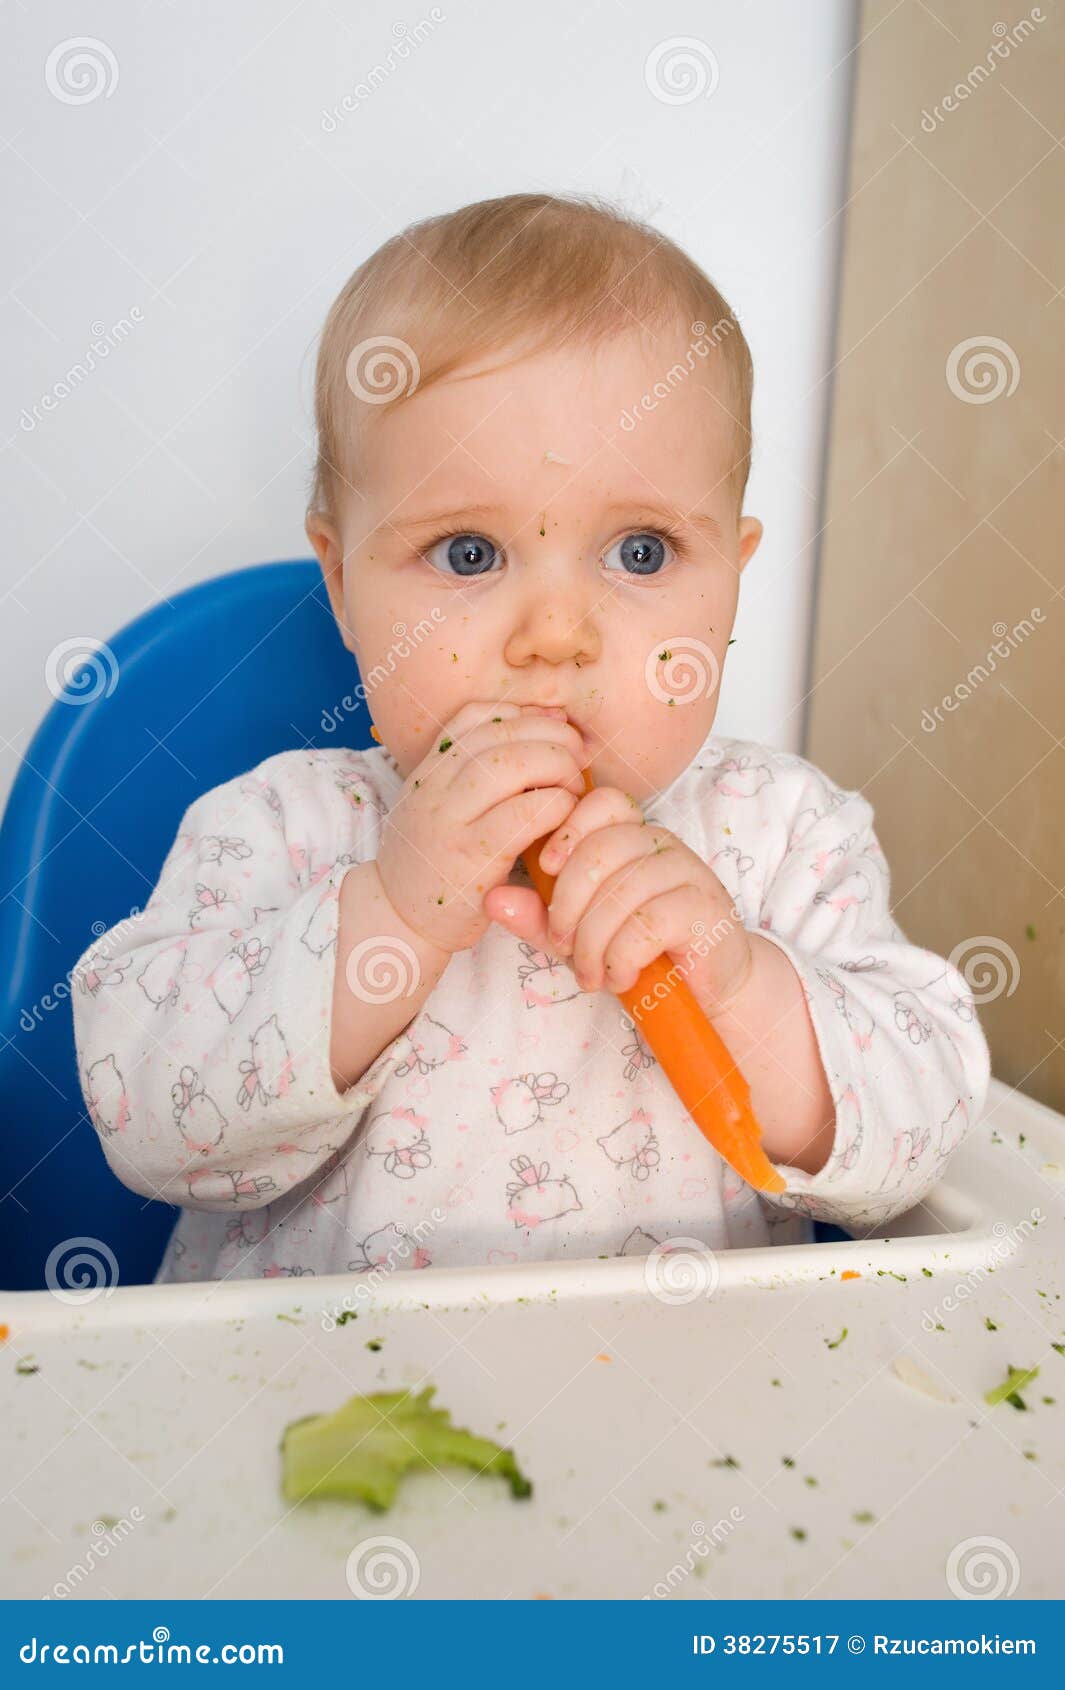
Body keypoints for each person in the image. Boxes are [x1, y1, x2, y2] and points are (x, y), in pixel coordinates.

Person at [71, 192, 990, 1283]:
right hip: (311, 1417)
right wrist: (392, 915)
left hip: (690, 1426)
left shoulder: (785, 836)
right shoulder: (280, 828)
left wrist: (737, 980)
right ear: (343, 586)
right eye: (468, 554)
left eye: (642, 553)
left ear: (731, 581)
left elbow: (922, 1133)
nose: (556, 635)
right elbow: (150, 1116)